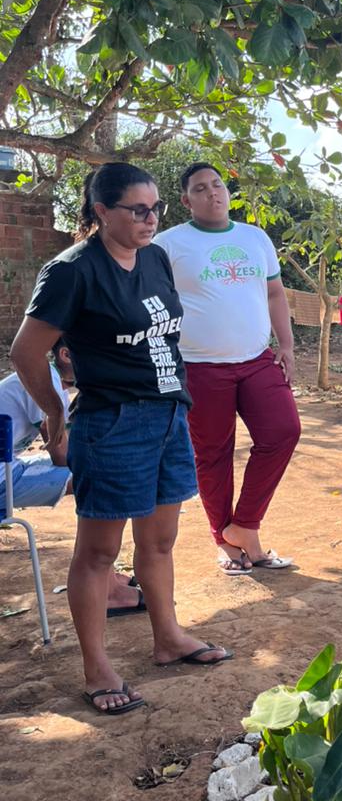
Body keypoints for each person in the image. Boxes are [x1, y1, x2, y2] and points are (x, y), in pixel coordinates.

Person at [11, 162, 232, 716]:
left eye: (156, 208)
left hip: (168, 416)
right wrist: (55, 416)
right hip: (111, 423)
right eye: (138, 210)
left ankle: (168, 638)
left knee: (158, 543)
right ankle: (97, 669)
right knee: (99, 553)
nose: (150, 219)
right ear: (102, 211)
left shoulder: (154, 258)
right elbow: (25, 352)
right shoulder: (71, 271)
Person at [154, 163, 300, 574]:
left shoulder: (255, 238)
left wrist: (286, 344)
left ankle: (244, 526)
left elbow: (274, 293)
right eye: (200, 189)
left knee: (283, 431)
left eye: (217, 185)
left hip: (256, 359)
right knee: (213, 454)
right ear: (186, 201)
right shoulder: (167, 245)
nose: (212, 193)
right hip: (198, 366)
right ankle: (226, 542)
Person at [0, 347, 145, 616]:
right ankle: (106, 589)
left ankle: (106, 577)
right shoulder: (44, 383)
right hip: (2, 479)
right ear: (67, 354)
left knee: (99, 473)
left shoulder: (46, 379)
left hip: (9, 467)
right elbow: (60, 455)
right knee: (99, 482)